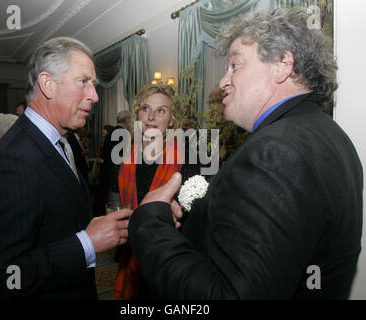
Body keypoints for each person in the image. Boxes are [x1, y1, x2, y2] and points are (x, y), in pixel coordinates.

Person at [128, 8, 363, 299]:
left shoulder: (275, 151)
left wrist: (150, 221)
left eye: (234, 65)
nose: (223, 81)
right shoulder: (330, 135)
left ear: (282, 65)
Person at [0, 37, 132, 300]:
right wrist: (87, 243)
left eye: (93, 84)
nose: (94, 96)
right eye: (84, 82)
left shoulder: (62, 141)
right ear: (48, 84)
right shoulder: (13, 159)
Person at [112, 83, 206, 300]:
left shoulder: (188, 156)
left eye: (161, 111)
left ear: (172, 120)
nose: (151, 117)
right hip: (132, 250)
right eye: (145, 109)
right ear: (137, 114)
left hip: (170, 255)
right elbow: (114, 202)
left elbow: (195, 213)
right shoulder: (125, 155)